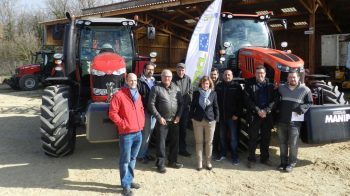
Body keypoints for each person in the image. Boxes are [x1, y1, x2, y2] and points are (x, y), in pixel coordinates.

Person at [109, 73, 145, 196]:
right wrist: (123, 124)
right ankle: (125, 185)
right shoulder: (119, 95)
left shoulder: (138, 94)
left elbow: (141, 109)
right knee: (125, 160)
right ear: (126, 81)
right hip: (127, 134)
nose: (133, 82)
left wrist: (142, 122)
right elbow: (112, 113)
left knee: (133, 159)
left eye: (135, 80)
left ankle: (129, 180)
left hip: (138, 132)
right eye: (131, 80)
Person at [276, 69, 313, 172]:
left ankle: (291, 163)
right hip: (282, 121)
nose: (292, 79)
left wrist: (301, 109)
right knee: (282, 143)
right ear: (287, 78)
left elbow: (309, 102)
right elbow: (275, 99)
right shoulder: (281, 88)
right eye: (290, 77)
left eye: (294, 77)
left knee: (293, 144)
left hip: (295, 123)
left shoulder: (305, 90)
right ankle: (283, 162)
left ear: (298, 78)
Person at [148, 69, 184, 173]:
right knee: (161, 143)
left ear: (171, 77)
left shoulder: (176, 88)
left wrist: (178, 116)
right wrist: (159, 117)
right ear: (161, 77)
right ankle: (160, 164)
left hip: (174, 120)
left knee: (174, 142)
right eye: (164, 76)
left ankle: (172, 161)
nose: (167, 78)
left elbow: (181, 104)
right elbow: (151, 105)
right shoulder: (156, 88)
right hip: (162, 121)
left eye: (168, 76)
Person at [244, 66, 277, 168]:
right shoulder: (249, 85)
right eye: (258, 73)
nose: (260, 75)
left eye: (262, 73)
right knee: (252, 138)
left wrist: (266, 110)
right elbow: (247, 100)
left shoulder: (271, 86)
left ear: (265, 74)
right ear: (255, 74)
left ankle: (264, 158)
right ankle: (251, 159)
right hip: (255, 115)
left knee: (266, 138)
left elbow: (275, 100)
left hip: (267, 116)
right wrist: (258, 110)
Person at [190, 76, 219, 171]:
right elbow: (192, 106)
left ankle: (208, 162)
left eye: (207, 83)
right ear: (200, 84)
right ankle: (199, 162)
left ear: (209, 84)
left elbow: (215, 107)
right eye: (203, 83)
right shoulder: (196, 93)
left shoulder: (213, 93)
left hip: (210, 121)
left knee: (209, 142)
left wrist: (216, 119)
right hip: (198, 120)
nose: (205, 85)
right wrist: (192, 117)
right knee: (199, 142)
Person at [215, 69, 243, 165]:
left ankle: (234, 156)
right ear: (223, 76)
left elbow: (240, 102)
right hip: (221, 117)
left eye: (229, 75)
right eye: (226, 75)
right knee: (222, 136)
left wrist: (237, 114)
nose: (227, 76)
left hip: (232, 117)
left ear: (232, 76)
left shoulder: (236, 86)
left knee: (233, 138)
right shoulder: (218, 86)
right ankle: (222, 153)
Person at [137, 62, 157, 164]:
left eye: (152, 70)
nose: (151, 71)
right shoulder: (139, 82)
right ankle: (140, 156)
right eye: (149, 69)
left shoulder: (154, 81)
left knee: (150, 133)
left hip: (153, 111)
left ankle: (145, 153)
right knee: (145, 134)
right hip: (145, 111)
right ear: (144, 70)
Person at [172, 63, 193, 157]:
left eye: (182, 70)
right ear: (176, 70)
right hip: (175, 109)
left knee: (183, 130)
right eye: (179, 70)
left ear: (185, 70)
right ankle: (174, 149)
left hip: (185, 109)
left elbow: (191, 91)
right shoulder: (172, 79)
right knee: (174, 130)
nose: (181, 72)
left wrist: (189, 100)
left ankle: (183, 149)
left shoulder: (188, 79)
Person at [210, 67, 221, 159]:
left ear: (218, 75)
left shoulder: (220, 85)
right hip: (209, 112)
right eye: (212, 74)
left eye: (215, 74)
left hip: (217, 110)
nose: (213, 76)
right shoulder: (207, 84)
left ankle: (216, 149)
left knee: (216, 131)